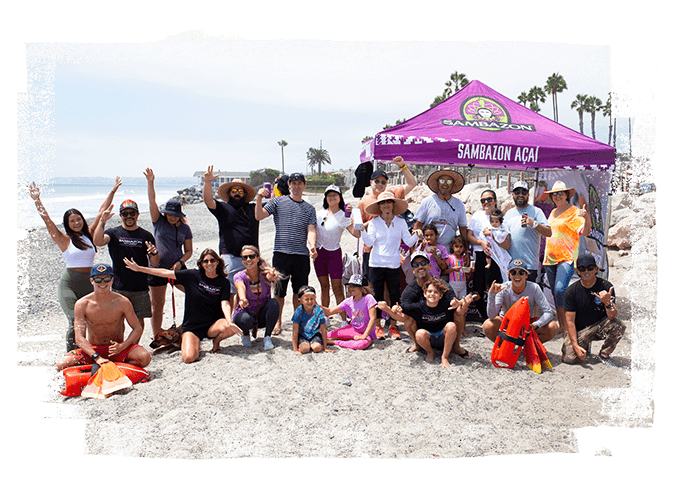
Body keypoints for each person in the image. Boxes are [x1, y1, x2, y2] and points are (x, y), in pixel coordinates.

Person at [27, 178, 121, 351]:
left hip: (90, 284)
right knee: (74, 320)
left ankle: (91, 350)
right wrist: (37, 200)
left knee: (91, 319)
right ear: (67, 224)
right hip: (69, 284)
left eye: (79, 219)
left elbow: (101, 212)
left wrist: (113, 191)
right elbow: (47, 219)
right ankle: (72, 353)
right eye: (72, 221)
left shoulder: (90, 235)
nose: (76, 222)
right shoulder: (63, 240)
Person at [124, 249, 243, 363]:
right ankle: (193, 343)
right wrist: (139, 269)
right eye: (205, 261)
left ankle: (216, 342)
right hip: (192, 327)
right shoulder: (192, 275)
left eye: (212, 260)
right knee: (189, 358)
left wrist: (229, 320)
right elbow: (165, 273)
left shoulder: (223, 282)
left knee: (229, 327)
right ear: (201, 263)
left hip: (212, 325)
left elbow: (225, 302)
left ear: (217, 262)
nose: (209, 263)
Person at [56, 264, 152, 371]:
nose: (102, 283)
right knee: (62, 365)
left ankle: (110, 367)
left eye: (106, 279)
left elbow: (137, 328)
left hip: (117, 349)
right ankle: (105, 366)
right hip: (93, 349)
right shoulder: (82, 304)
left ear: (112, 280)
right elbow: (79, 337)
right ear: (92, 281)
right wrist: (95, 356)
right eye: (98, 280)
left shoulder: (122, 302)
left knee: (144, 357)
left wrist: (122, 346)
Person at [255, 172, 317, 335]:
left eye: (299, 183)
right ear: (289, 185)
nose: (296, 186)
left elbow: (311, 229)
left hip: (301, 256)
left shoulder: (309, 208)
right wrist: (259, 198)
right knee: (279, 291)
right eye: (293, 183)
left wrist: (312, 246)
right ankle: (277, 321)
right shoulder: (277, 202)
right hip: (281, 253)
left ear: (304, 186)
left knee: (300, 292)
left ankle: (299, 321)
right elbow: (259, 215)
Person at [360, 191, 422, 340]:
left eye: (389, 202)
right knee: (377, 296)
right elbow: (369, 243)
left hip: (394, 264)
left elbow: (407, 242)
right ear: (379, 206)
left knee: (394, 295)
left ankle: (393, 325)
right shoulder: (374, 222)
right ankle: (378, 326)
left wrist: (417, 234)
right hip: (376, 264)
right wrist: (362, 230)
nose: (386, 205)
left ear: (393, 204)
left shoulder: (400, 222)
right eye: (382, 202)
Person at [387, 251, 473, 357]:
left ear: (429, 266)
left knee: (458, 312)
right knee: (408, 317)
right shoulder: (409, 291)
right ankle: (418, 345)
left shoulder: (442, 285)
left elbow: (454, 302)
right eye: (416, 265)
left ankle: (456, 347)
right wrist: (393, 309)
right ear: (413, 270)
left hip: (445, 329)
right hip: (423, 333)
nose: (420, 267)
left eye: (423, 263)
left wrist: (462, 304)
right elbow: (403, 312)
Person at [92, 199, 159, 332]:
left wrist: (154, 253)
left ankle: (133, 347)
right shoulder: (113, 233)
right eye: (125, 213)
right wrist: (102, 221)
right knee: (117, 320)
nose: (129, 216)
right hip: (119, 286)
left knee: (138, 321)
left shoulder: (146, 235)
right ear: (120, 215)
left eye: (132, 213)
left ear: (138, 214)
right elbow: (98, 241)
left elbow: (155, 263)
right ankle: (119, 348)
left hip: (140, 287)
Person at [144, 168, 193, 336]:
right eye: (169, 214)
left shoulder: (185, 228)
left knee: (194, 292)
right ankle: (158, 333)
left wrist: (180, 263)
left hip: (176, 268)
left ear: (180, 215)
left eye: (175, 215)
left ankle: (186, 324)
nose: (172, 217)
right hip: (157, 268)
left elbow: (189, 251)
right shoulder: (158, 221)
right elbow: (152, 201)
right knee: (157, 304)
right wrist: (150, 182)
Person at [202, 166, 259, 308]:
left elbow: (272, 208)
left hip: (251, 256)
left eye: (240, 190)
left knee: (248, 288)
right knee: (229, 289)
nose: (237, 193)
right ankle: (229, 319)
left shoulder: (253, 209)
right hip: (230, 255)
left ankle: (241, 316)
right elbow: (209, 201)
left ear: (245, 194)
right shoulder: (223, 208)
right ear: (229, 193)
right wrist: (207, 182)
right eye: (234, 191)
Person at [542, 181, 592, 335]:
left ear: (567, 196)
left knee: (559, 289)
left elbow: (585, 232)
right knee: (556, 293)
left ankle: (568, 325)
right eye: (554, 194)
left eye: (560, 193)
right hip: (550, 258)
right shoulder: (552, 213)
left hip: (566, 258)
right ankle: (562, 325)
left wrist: (587, 217)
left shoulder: (574, 211)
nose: (557, 196)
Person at [357, 156, 418, 278]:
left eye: (383, 182)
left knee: (392, 287)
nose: (380, 184)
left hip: (392, 251)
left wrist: (402, 166)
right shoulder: (363, 203)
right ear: (371, 182)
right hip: (371, 251)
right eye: (377, 181)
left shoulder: (393, 195)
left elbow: (412, 183)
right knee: (371, 286)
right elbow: (356, 232)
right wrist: (370, 224)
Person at [562, 254, 626, 367]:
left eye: (590, 267)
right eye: (582, 268)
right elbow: (570, 322)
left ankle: (604, 356)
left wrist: (608, 303)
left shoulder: (606, 287)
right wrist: (575, 346)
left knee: (618, 325)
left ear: (596, 268)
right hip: (580, 330)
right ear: (578, 271)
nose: (586, 271)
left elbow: (613, 317)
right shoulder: (571, 291)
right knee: (569, 358)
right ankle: (584, 345)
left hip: (599, 326)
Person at [482, 258, 560, 344]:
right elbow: (491, 315)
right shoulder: (503, 288)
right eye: (513, 272)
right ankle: (504, 347)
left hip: (527, 325)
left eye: (521, 272)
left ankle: (530, 347)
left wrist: (535, 325)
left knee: (553, 327)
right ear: (509, 275)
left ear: (526, 275)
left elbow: (548, 312)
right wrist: (492, 294)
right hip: (507, 323)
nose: (517, 276)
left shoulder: (534, 288)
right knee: (488, 325)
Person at [314, 184, 360, 320]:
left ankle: (344, 319)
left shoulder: (343, 215)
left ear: (340, 197)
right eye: (329, 195)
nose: (332, 197)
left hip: (333, 254)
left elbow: (356, 234)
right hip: (319, 254)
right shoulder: (319, 214)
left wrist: (355, 216)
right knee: (323, 286)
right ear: (325, 198)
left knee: (337, 288)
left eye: (335, 195)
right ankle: (325, 317)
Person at [467, 189, 511, 319]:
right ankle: (485, 318)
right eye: (483, 200)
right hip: (480, 256)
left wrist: (493, 236)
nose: (486, 202)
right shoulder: (477, 216)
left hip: (495, 257)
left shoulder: (501, 218)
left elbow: (507, 242)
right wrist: (481, 242)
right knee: (477, 289)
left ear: (495, 200)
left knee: (494, 289)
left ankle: (496, 318)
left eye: (489, 199)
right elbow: (469, 236)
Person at [233, 245, 280, 350]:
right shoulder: (239, 276)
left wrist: (272, 277)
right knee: (244, 319)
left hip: (261, 316)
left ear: (258, 258)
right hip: (246, 316)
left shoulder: (265, 275)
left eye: (251, 256)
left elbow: (270, 277)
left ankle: (267, 337)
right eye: (245, 257)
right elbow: (240, 286)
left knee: (274, 303)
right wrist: (242, 298)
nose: (248, 259)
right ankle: (245, 334)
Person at [504, 181, 551, 283]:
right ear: (512, 195)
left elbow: (548, 232)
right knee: (513, 298)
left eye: (523, 192)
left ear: (528, 195)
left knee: (528, 298)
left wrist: (533, 223)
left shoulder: (536, 211)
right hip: (511, 266)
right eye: (517, 192)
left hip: (529, 266)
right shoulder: (508, 214)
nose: (520, 195)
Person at [413, 168, 468, 251]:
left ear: (453, 184)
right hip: (428, 250)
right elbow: (417, 226)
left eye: (449, 181)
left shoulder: (459, 204)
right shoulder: (427, 202)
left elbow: (463, 229)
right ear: (438, 182)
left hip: (449, 251)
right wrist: (413, 250)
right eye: (442, 180)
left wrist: (466, 250)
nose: (445, 184)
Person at [320, 274, 378, 350]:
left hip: (367, 332)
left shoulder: (368, 298)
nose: (351, 288)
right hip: (352, 329)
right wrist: (315, 304)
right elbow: (329, 311)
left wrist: (364, 335)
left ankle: (333, 342)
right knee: (325, 335)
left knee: (361, 344)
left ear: (362, 288)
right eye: (350, 286)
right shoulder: (348, 301)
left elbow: (373, 318)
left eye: (354, 286)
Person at [291, 286, 332, 355]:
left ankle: (317, 343)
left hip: (315, 334)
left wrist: (325, 348)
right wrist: (295, 350)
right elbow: (295, 331)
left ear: (315, 299)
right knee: (304, 349)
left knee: (317, 348)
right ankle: (306, 344)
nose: (310, 301)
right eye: (306, 299)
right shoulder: (298, 312)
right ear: (300, 300)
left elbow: (323, 329)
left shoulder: (319, 310)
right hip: (302, 334)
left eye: (312, 299)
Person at [485, 209, 512, 282]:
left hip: (501, 250)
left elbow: (501, 237)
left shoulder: (502, 229)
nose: (494, 224)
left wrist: (492, 234)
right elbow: (483, 234)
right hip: (491, 250)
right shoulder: (489, 227)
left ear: (500, 222)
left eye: (496, 222)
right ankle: (488, 264)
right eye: (492, 221)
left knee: (502, 267)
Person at [445, 234, 472, 300]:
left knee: (463, 302)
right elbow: (444, 271)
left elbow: (466, 274)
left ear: (464, 248)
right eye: (456, 246)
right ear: (452, 247)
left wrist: (470, 270)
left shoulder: (464, 258)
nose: (458, 249)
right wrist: (453, 269)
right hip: (453, 284)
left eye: (461, 246)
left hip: (463, 284)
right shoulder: (449, 258)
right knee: (454, 301)